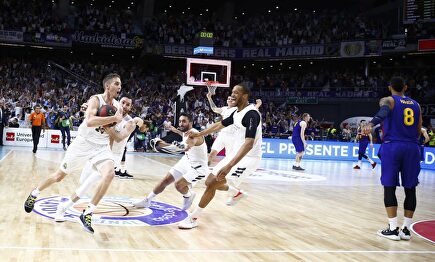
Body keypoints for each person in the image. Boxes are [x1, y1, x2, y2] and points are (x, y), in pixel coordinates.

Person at [24, 73, 123, 234]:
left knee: (110, 174)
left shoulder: (118, 107)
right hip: (83, 144)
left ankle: (88, 212)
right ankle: (34, 193)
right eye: (117, 84)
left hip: (101, 147)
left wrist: (112, 130)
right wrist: (112, 118)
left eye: (120, 84)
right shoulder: (95, 100)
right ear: (108, 86)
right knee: (59, 176)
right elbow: (90, 121)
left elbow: (112, 131)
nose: (120, 87)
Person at [178, 84, 262, 229]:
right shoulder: (236, 112)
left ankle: (194, 218)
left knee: (213, 183)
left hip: (249, 158)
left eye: (237, 93)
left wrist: (229, 166)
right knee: (209, 181)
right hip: (236, 153)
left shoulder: (252, 114)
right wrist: (199, 133)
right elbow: (219, 125)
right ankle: (236, 193)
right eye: (232, 92)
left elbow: (249, 144)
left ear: (245, 96)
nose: (233, 95)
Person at [53, 97, 148, 222]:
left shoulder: (130, 122)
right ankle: (80, 204)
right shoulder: (108, 114)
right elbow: (92, 118)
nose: (125, 106)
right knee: (83, 181)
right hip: (98, 152)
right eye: (123, 103)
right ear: (118, 104)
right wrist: (90, 111)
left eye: (128, 104)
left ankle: (66, 208)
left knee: (87, 185)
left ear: (131, 108)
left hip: (112, 157)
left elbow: (119, 138)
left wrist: (139, 122)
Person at [363, 76, 422, 241]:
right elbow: (418, 130)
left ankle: (393, 228)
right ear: (405, 87)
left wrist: (371, 123)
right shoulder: (416, 105)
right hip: (412, 147)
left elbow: (384, 112)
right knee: (411, 188)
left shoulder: (388, 100)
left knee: (389, 186)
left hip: (393, 146)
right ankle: (406, 230)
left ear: (390, 87)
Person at [133, 113, 208, 211]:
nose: (181, 124)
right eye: (180, 121)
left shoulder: (194, 134)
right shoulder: (186, 132)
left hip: (198, 167)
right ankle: (148, 200)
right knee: (165, 180)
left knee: (178, 185)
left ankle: (188, 195)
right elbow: (184, 135)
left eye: (184, 121)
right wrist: (175, 130)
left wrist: (162, 145)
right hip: (187, 160)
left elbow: (184, 147)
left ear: (191, 122)